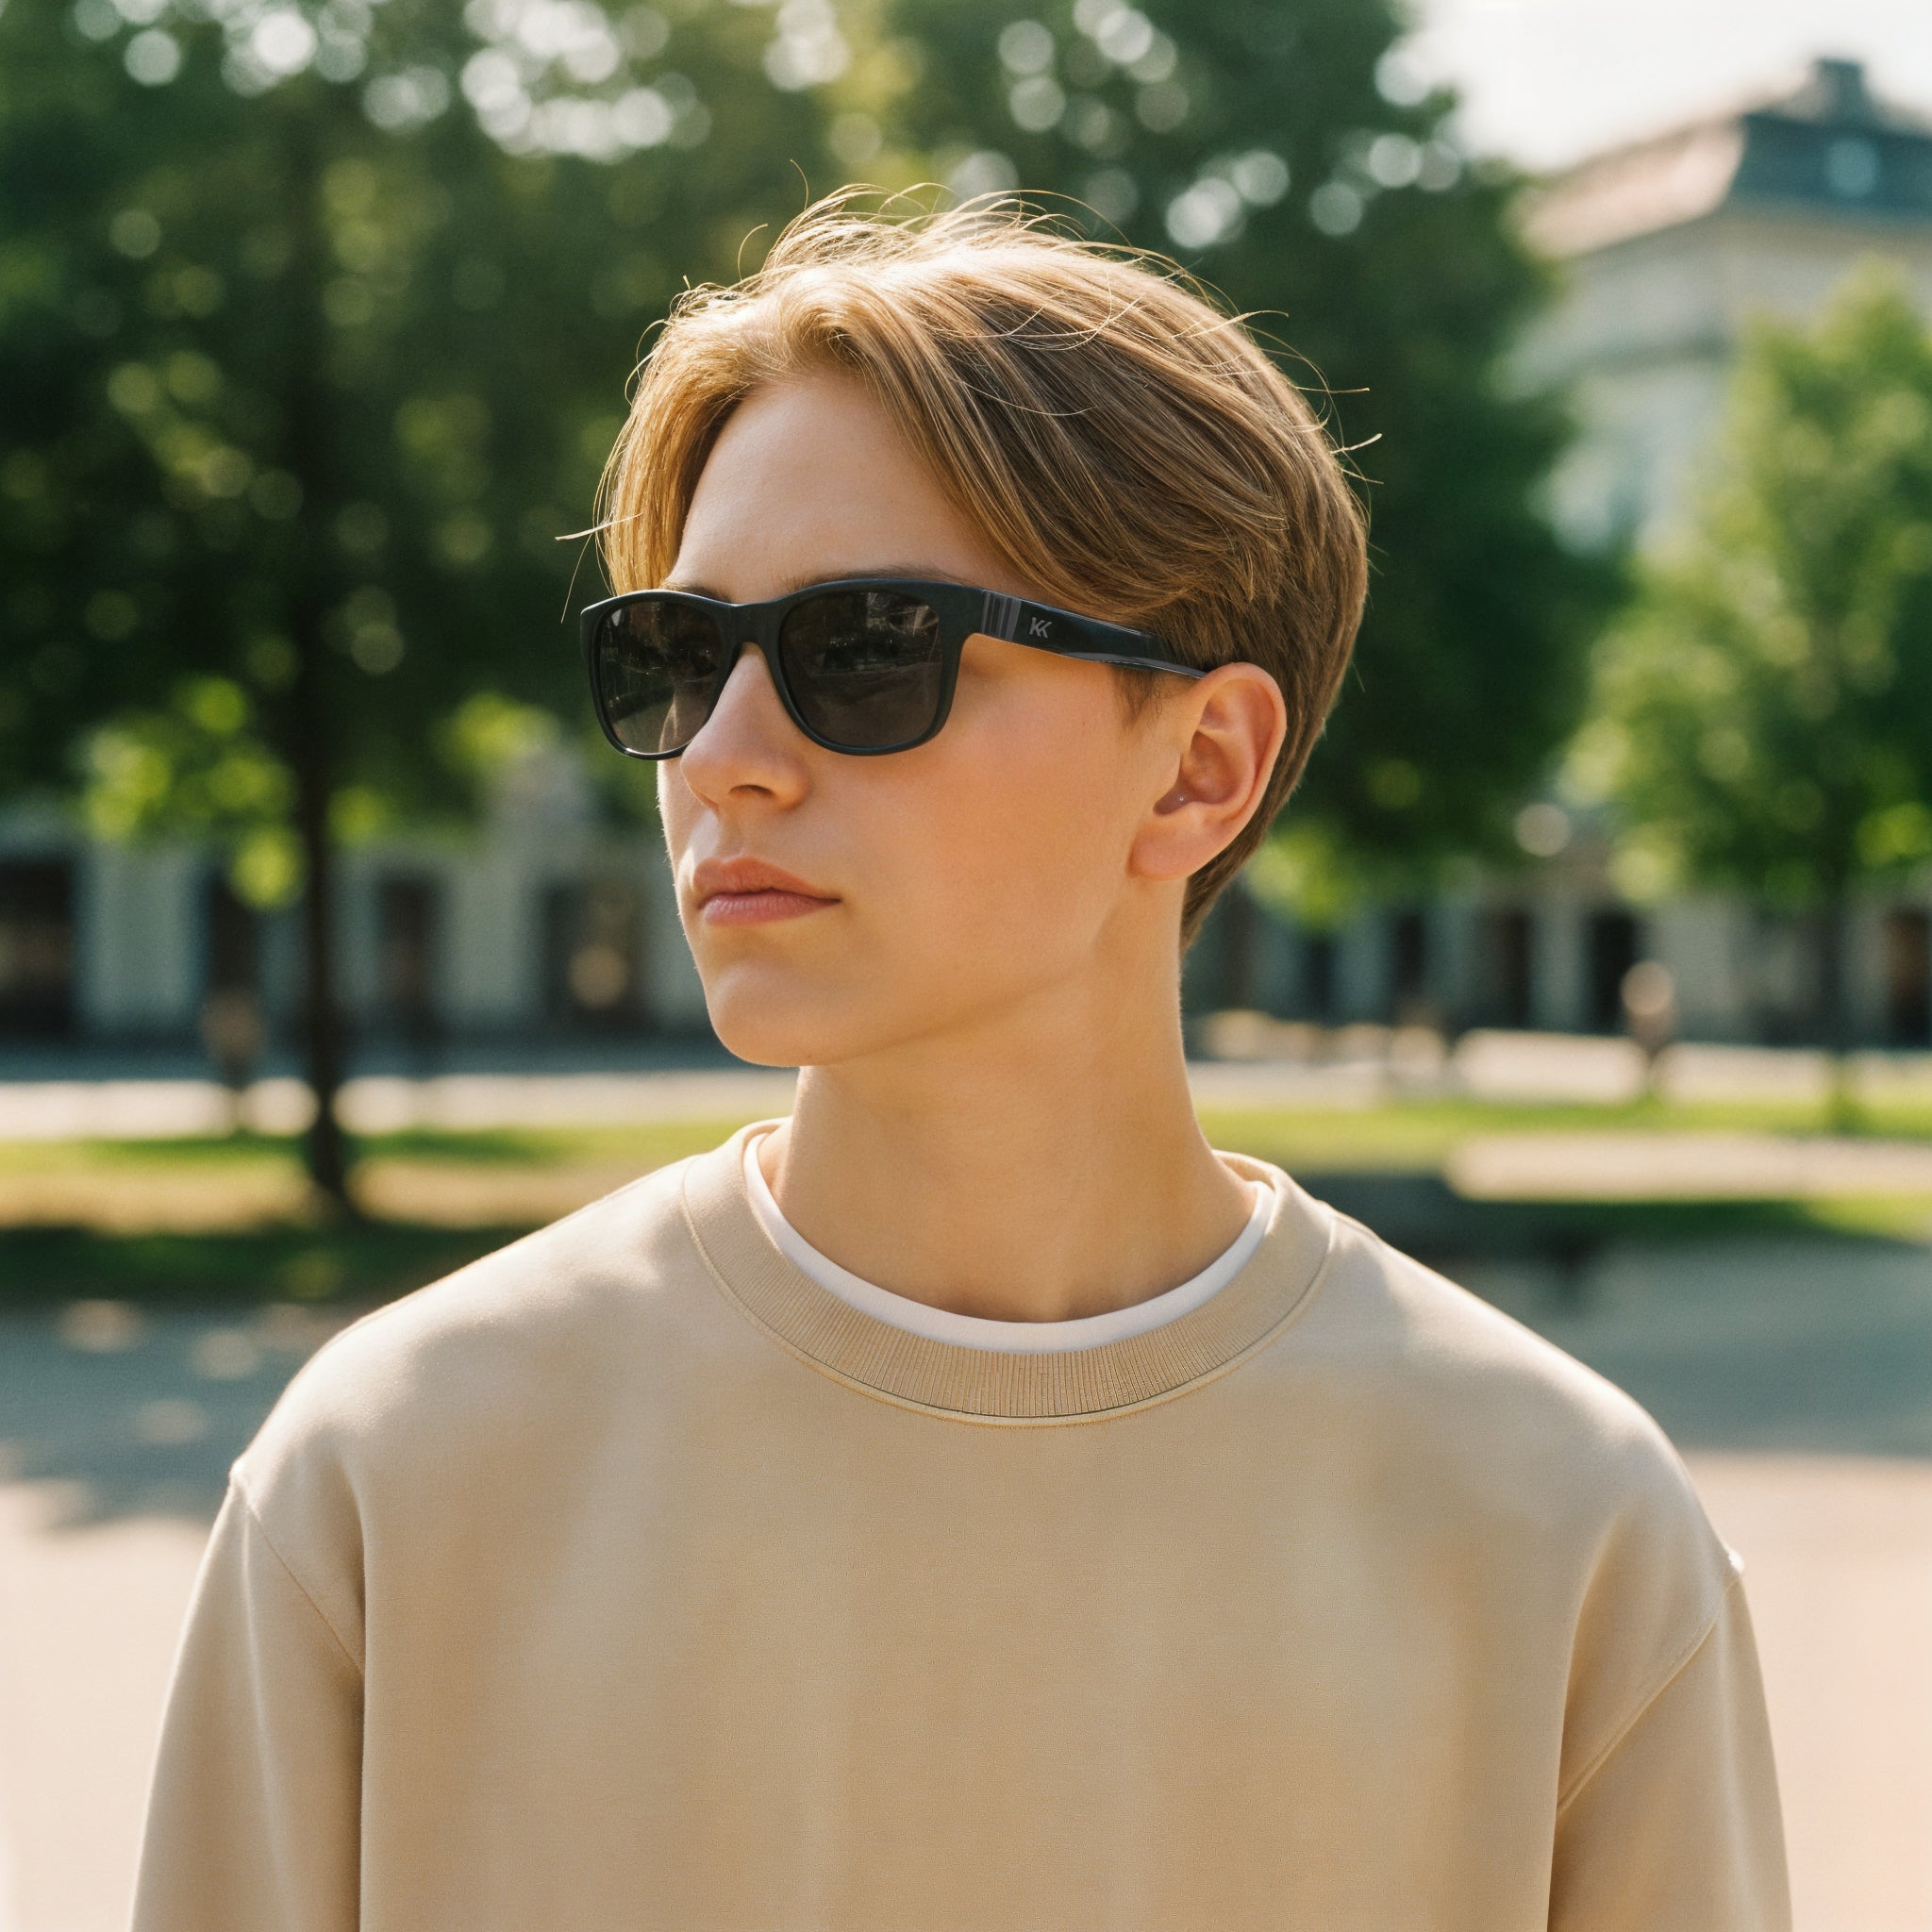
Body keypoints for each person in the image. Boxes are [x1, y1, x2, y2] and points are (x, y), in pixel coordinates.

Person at [130, 193, 1790, 1930]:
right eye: (674, 659)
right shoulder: (390, 1484)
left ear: (1199, 767)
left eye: (864, 651)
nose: (725, 759)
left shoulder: (1562, 1537)